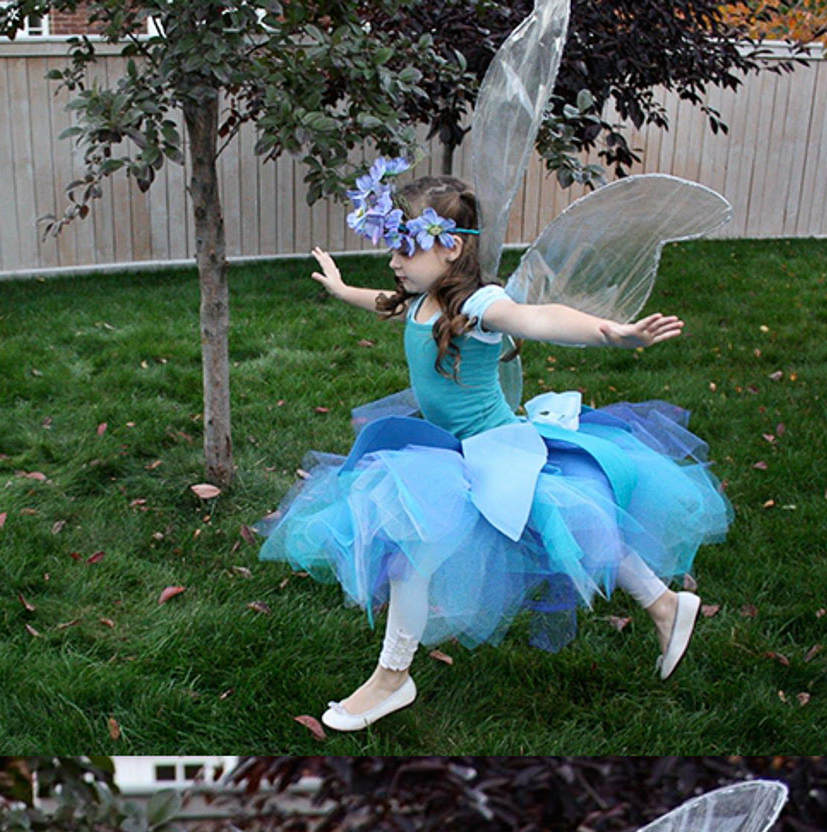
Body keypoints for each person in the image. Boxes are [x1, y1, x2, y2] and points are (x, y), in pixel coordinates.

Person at [258, 174, 732, 731]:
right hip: (453, 450)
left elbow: (540, 317)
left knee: (444, 543)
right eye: (390, 244)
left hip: (495, 450)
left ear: (451, 245)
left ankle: (392, 677)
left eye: (404, 246)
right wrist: (341, 289)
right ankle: (664, 604)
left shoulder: (481, 304)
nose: (392, 260)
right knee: (568, 527)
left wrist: (608, 333)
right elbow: (385, 303)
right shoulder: (421, 298)